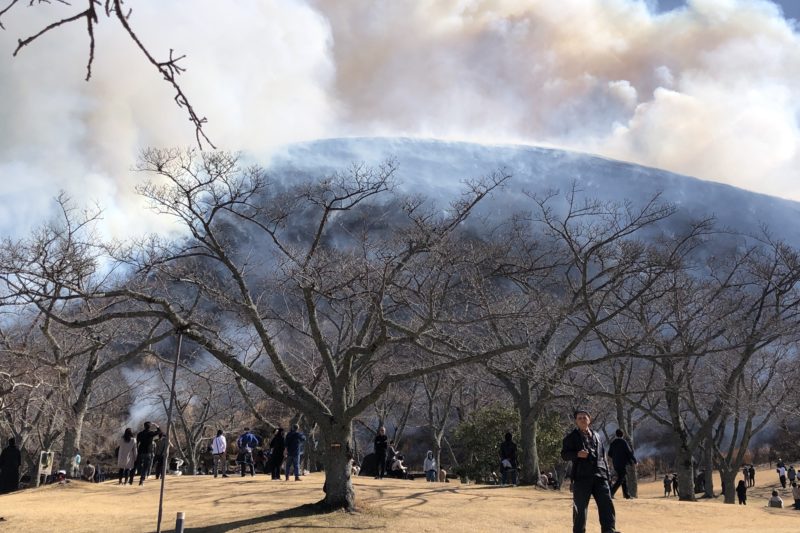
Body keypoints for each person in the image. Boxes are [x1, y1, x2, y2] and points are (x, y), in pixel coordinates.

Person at [560, 408, 618, 533]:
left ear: (589, 419)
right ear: (576, 421)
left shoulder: (597, 435)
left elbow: (603, 456)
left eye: (584, 417)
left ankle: (609, 530)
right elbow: (564, 455)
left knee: (607, 505)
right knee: (580, 508)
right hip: (581, 477)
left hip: (600, 475)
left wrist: (607, 475)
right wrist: (577, 454)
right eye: (579, 418)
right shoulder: (571, 437)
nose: (582, 420)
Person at [607, 429, 637, 499]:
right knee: (621, 478)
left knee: (623, 478)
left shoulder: (613, 442)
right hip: (622, 463)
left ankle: (626, 495)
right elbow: (629, 452)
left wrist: (615, 457)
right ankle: (611, 492)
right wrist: (634, 461)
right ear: (622, 435)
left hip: (615, 464)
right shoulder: (623, 442)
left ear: (616, 434)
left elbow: (609, 453)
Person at [136, 421, 160, 485]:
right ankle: (142, 479)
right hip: (148, 452)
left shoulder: (140, 434)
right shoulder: (150, 433)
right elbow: (159, 432)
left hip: (141, 451)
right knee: (145, 466)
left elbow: (137, 443)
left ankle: (139, 473)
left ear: (144, 426)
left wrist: (137, 450)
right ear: (150, 427)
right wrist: (156, 426)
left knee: (140, 465)